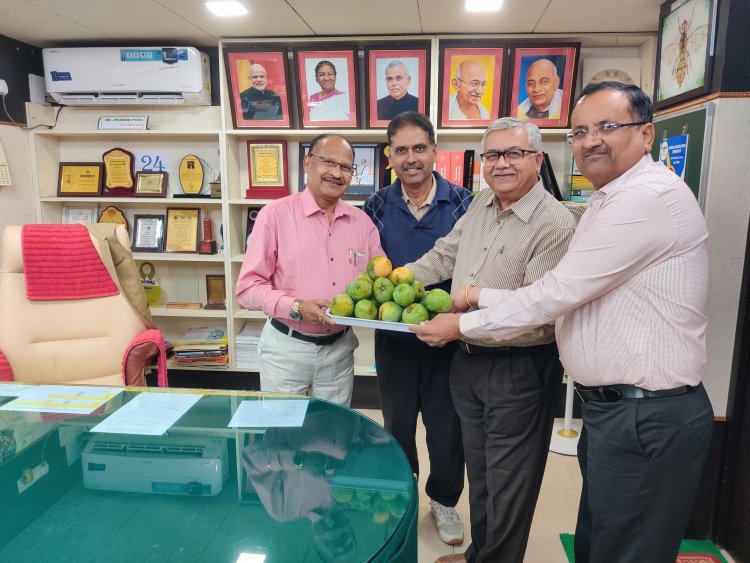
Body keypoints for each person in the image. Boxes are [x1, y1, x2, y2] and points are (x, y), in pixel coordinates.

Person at [415, 82, 714, 563]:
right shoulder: (604, 199)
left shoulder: (643, 201)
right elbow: (452, 257)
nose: (592, 140)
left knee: (621, 544)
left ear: (647, 134)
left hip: (642, 410)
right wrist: (436, 290)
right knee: (598, 537)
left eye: (608, 127)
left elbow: (553, 296)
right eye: (581, 131)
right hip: (612, 406)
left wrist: (464, 316)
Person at [406, 117, 576, 563]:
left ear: (538, 160)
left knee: (509, 482)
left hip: (518, 368)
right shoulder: (481, 204)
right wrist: (394, 279)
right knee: (480, 472)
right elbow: (445, 253)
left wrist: (458, 322)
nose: (501, 164)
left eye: (514, 153)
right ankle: (479, 553)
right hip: (467, 363)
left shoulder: (555, 223)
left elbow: (535, 315)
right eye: (492, 154)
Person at [363, 112, 472, 546]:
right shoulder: (375, 205)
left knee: (448, 427)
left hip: (449, 341)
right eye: (401, 150)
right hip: (396, 342)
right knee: (398, 425)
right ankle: (400, 497)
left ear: (434, 151)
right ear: (390, 157)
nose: (411, 158)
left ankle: (444, 503)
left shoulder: (464, 201)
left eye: (419, 148)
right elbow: (365, 268)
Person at [236, 133, 383, 407]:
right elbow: (247, 289)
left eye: (346, 167)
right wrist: (296, 307)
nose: (336, 173)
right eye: (328, 162)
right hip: (287, 348)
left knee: (333, 437)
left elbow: (380, 282)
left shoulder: (362, 223)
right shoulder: (274, 215)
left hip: (339, 351)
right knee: (282, 437)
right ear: (307, 163)